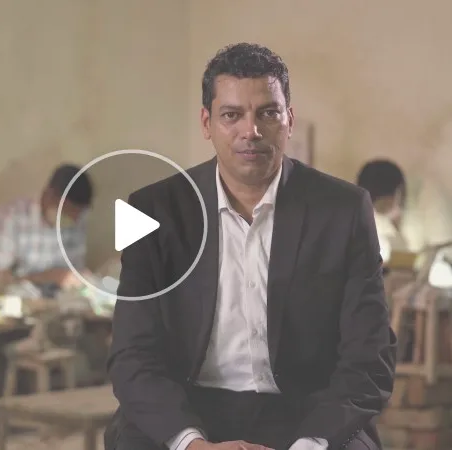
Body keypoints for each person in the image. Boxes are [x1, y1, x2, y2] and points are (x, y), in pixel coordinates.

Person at [105, 43, 396, 450]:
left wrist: (309, 445)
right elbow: (131, 354)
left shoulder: (344, 210)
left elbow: (370, 357)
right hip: (189, 407)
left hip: (307, 410)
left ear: (289, 120)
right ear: (206, 123)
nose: (251, 131)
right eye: (231, 115)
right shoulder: (150, 210)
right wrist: (191, 444)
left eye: (267, 113)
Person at [0, 163, 94, 292]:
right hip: (17, 298)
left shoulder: (77, 221)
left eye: (75, 215)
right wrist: (45, 277)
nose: (72, 220)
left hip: (61, 299)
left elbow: (76, 268)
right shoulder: (11, 218)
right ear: (48, 195)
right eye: (65, 212)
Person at [355, 159, 452, 264]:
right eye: (378, 208)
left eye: (386, 205)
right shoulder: (369, 209)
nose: (381, 211)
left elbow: (448, 255)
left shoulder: (432, 199)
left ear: (400, 190)